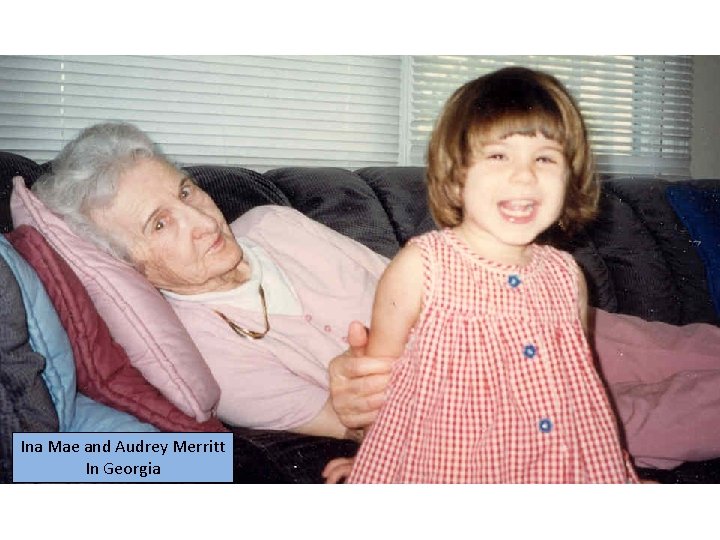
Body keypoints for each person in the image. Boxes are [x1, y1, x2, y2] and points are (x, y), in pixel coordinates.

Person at [30, 120, 720, 479]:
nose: (203, 220)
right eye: (161, 224)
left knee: (688, 346)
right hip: (487, 414)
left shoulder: (270, 223)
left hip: (507, 316)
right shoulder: (208, 355)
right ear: (132, 267)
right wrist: (358, 400)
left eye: (185, 190)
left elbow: (404, 276)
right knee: (668, 416)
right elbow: (357, 422)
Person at [323, 67, 638, 483]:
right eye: (498, 155)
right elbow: (378, 386)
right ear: (455, 178)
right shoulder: (420, 266)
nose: (524, 176)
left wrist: (611, 470)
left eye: (545, 158)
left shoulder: (568, 275)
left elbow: (578, 390)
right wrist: (374, 457)